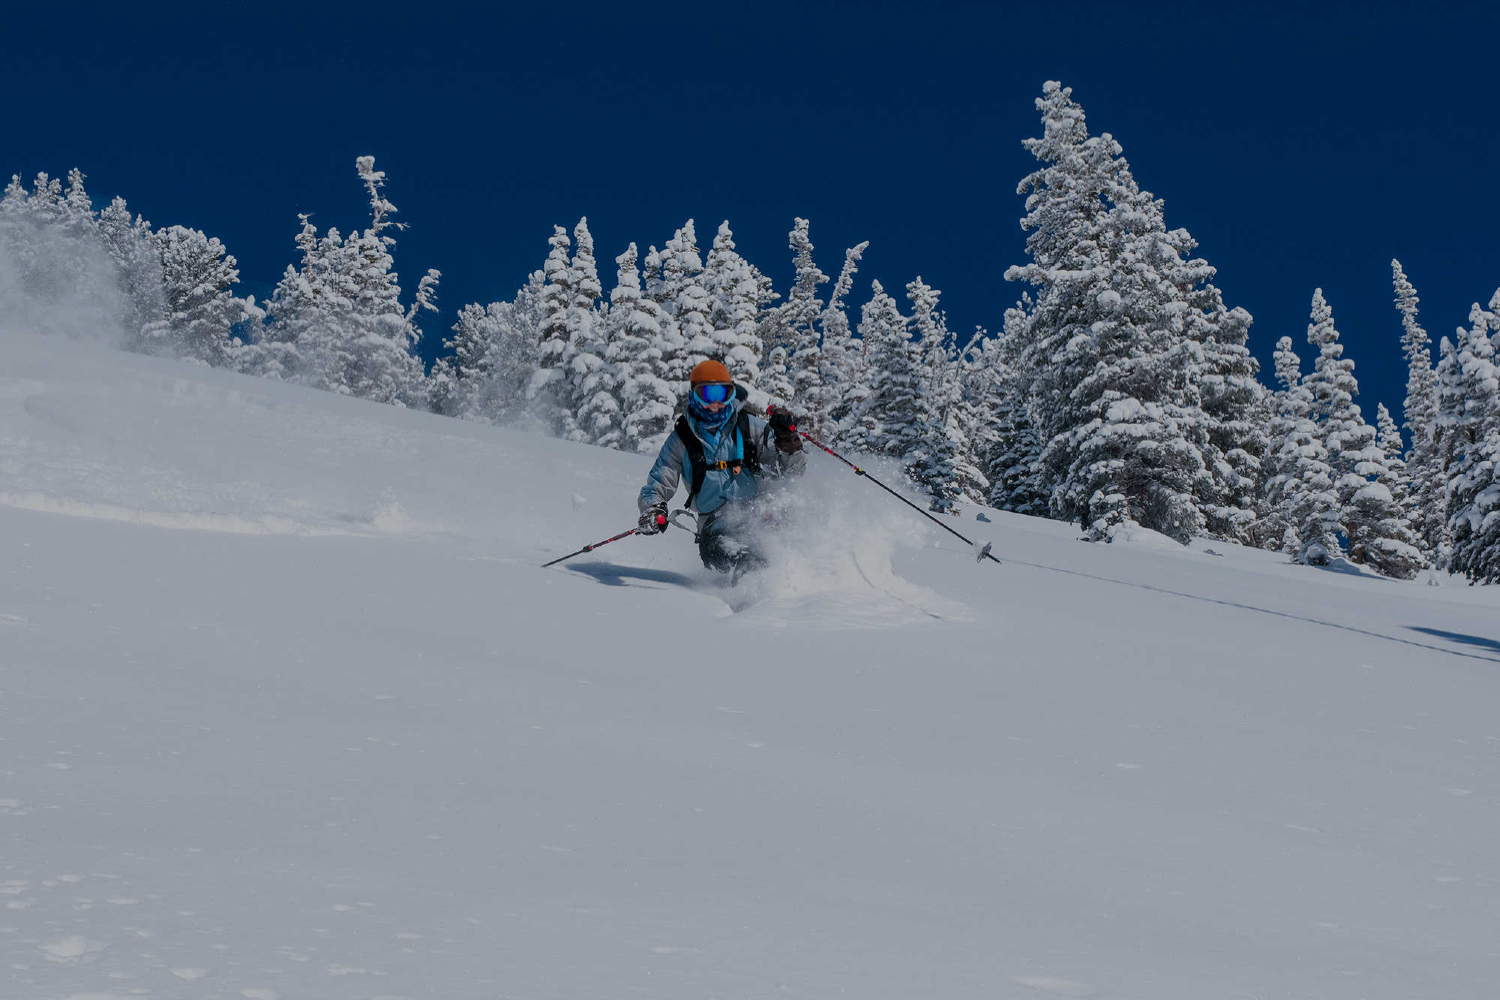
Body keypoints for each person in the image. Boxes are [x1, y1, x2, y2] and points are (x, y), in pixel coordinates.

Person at [636, 360, 805, 576]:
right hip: (714, 525)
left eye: (723, 394)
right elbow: (658, 483)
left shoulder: (748, 426)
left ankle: (800, 584)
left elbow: (792, 473)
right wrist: (653, 508)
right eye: (707, 394)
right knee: (731, 553)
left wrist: (789, 442)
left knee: (784, 542)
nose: (715, 403)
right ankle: (754, 589)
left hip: (758, 511)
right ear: (694, 395)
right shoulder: (682, 438)